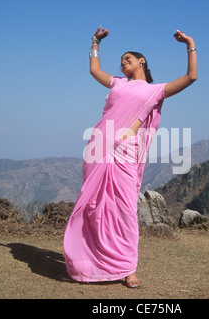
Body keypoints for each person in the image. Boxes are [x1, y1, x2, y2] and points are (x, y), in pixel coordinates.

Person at [63, 26, 197, 288]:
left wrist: (189, 44)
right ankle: (92, 262)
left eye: (128, 59)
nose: (123, 63)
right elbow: (94, 70)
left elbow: (191, 77)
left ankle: (127, 268)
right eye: (121, 61)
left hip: (125, 150)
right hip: (99, 144)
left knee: (124, 209)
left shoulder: (155, 90)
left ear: (141, 62)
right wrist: (94, 43)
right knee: (95, 206)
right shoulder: (118, 82)